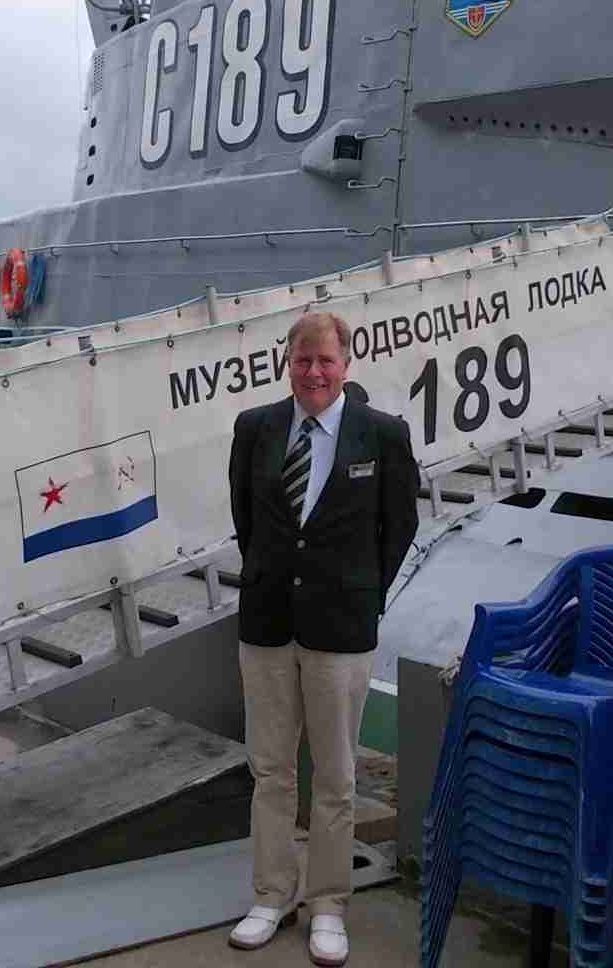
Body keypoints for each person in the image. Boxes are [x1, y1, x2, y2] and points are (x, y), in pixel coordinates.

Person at [226, 311, 419, 965]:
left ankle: (328, 903)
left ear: (347, 364)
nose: (313, 372)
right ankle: (272, 894)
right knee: (272, 771)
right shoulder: (255, 429)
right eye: (303, 360)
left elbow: (400, 527)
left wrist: (360, 592)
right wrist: (272, 578)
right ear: (289, 363)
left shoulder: (383, 436)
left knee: (336, 776)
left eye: (326, 361)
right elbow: (246, 519)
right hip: (268, 623)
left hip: (341, 628)